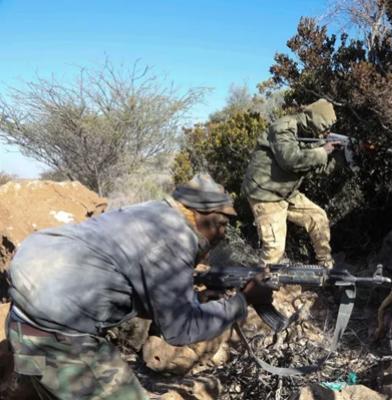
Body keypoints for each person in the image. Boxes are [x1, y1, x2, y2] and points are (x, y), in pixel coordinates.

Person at [5, 173, 270, 400]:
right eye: (222, 224)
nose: (223, 234)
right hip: (58, 337)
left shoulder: (149, 213)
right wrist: (242, 301)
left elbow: (128, 276)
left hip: (22, 324)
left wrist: (194, 298)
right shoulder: (175, 237)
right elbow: (181, 330)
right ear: (202, 215)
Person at [242, 98, 340, 269]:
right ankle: (258, 289)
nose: (326, 132)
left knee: (318, 217)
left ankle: (326, 265)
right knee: (274, 250)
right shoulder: (284, 127)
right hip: (265, 193)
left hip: (286, 191)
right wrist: (322, 151)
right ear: (317, 119)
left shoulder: (309, 133)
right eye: (326, 127)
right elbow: (290, 160)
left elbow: (314, 167)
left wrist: (341, 158)